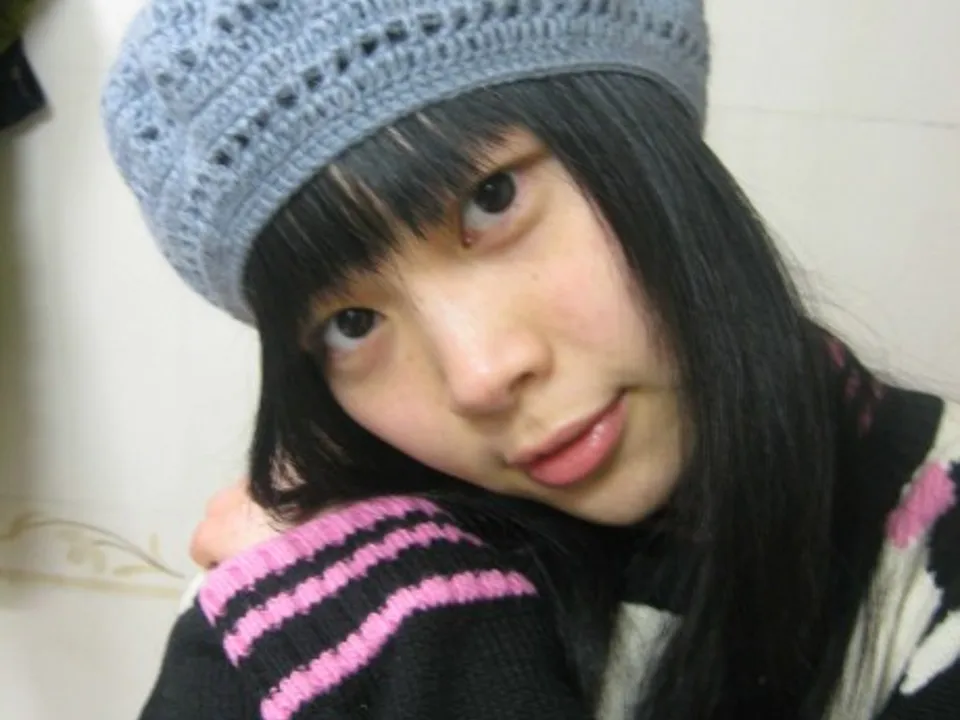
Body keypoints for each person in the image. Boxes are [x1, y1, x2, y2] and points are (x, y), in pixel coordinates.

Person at [102, 1, 960, 718]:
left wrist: (438, 669)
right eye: (351, 323)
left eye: (493, 197)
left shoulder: (936, 562)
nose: (479, 375)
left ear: (648, 138)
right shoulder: (305, 604)